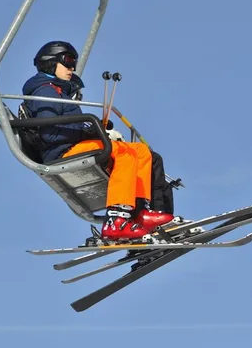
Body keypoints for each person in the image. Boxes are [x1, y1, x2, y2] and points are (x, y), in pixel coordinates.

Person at [22, 40, 175, 242]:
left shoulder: (59, 91)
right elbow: (50, 133)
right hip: (61, 151)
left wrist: (93, 130)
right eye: (67, 62)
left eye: (74, 63)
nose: (72, 68)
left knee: (141, 151)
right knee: (125, 153)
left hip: (73, 145)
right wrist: (90, 131)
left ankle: (140, 211)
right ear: (50, 63)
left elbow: (69, 127)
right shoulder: (44, 91)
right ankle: (117, 220)